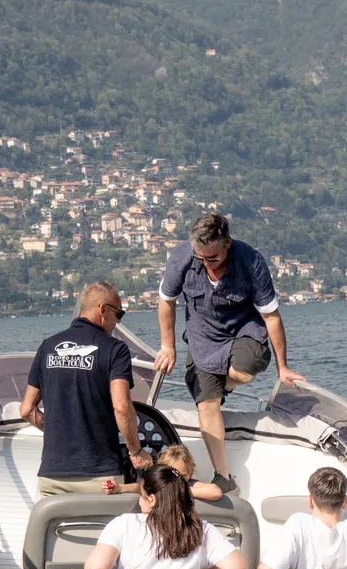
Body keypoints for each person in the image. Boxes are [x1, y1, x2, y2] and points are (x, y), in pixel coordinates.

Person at [154, 212, 305, 496]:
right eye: (201, 257)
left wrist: (282, 367)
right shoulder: (182, 258)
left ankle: (219, 386)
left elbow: (271, 317)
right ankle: (223, 477)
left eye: (212, 258)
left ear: (228, 244)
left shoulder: (251, 262)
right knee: (207, 404)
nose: (206, 263)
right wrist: (168, 346)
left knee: (245, 369)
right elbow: (166, 301)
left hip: (243, 329)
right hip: (202, 336)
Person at [19, 281, 150, 495]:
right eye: (119, 314)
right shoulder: (115, 349)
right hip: (100, 477)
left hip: (52, 476)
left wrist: (59, 431)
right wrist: (136, 452)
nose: (118, 321)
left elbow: (26, 410)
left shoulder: (47, 346)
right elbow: (121, 407)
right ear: (103, 310)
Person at [84, 465, 249, 569]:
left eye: (141, 494)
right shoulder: (201, 529)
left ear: (151, 499)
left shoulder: (123, 524)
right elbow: (237, 567)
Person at [107, 444, 222, 501]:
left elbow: (215, 491)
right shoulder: (160, 483)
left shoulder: (189, 484)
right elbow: (139, 487)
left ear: (190, 473)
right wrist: (120, 488)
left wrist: (180, 490)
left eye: (182, 475)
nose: (177, 479)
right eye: (172, 474)